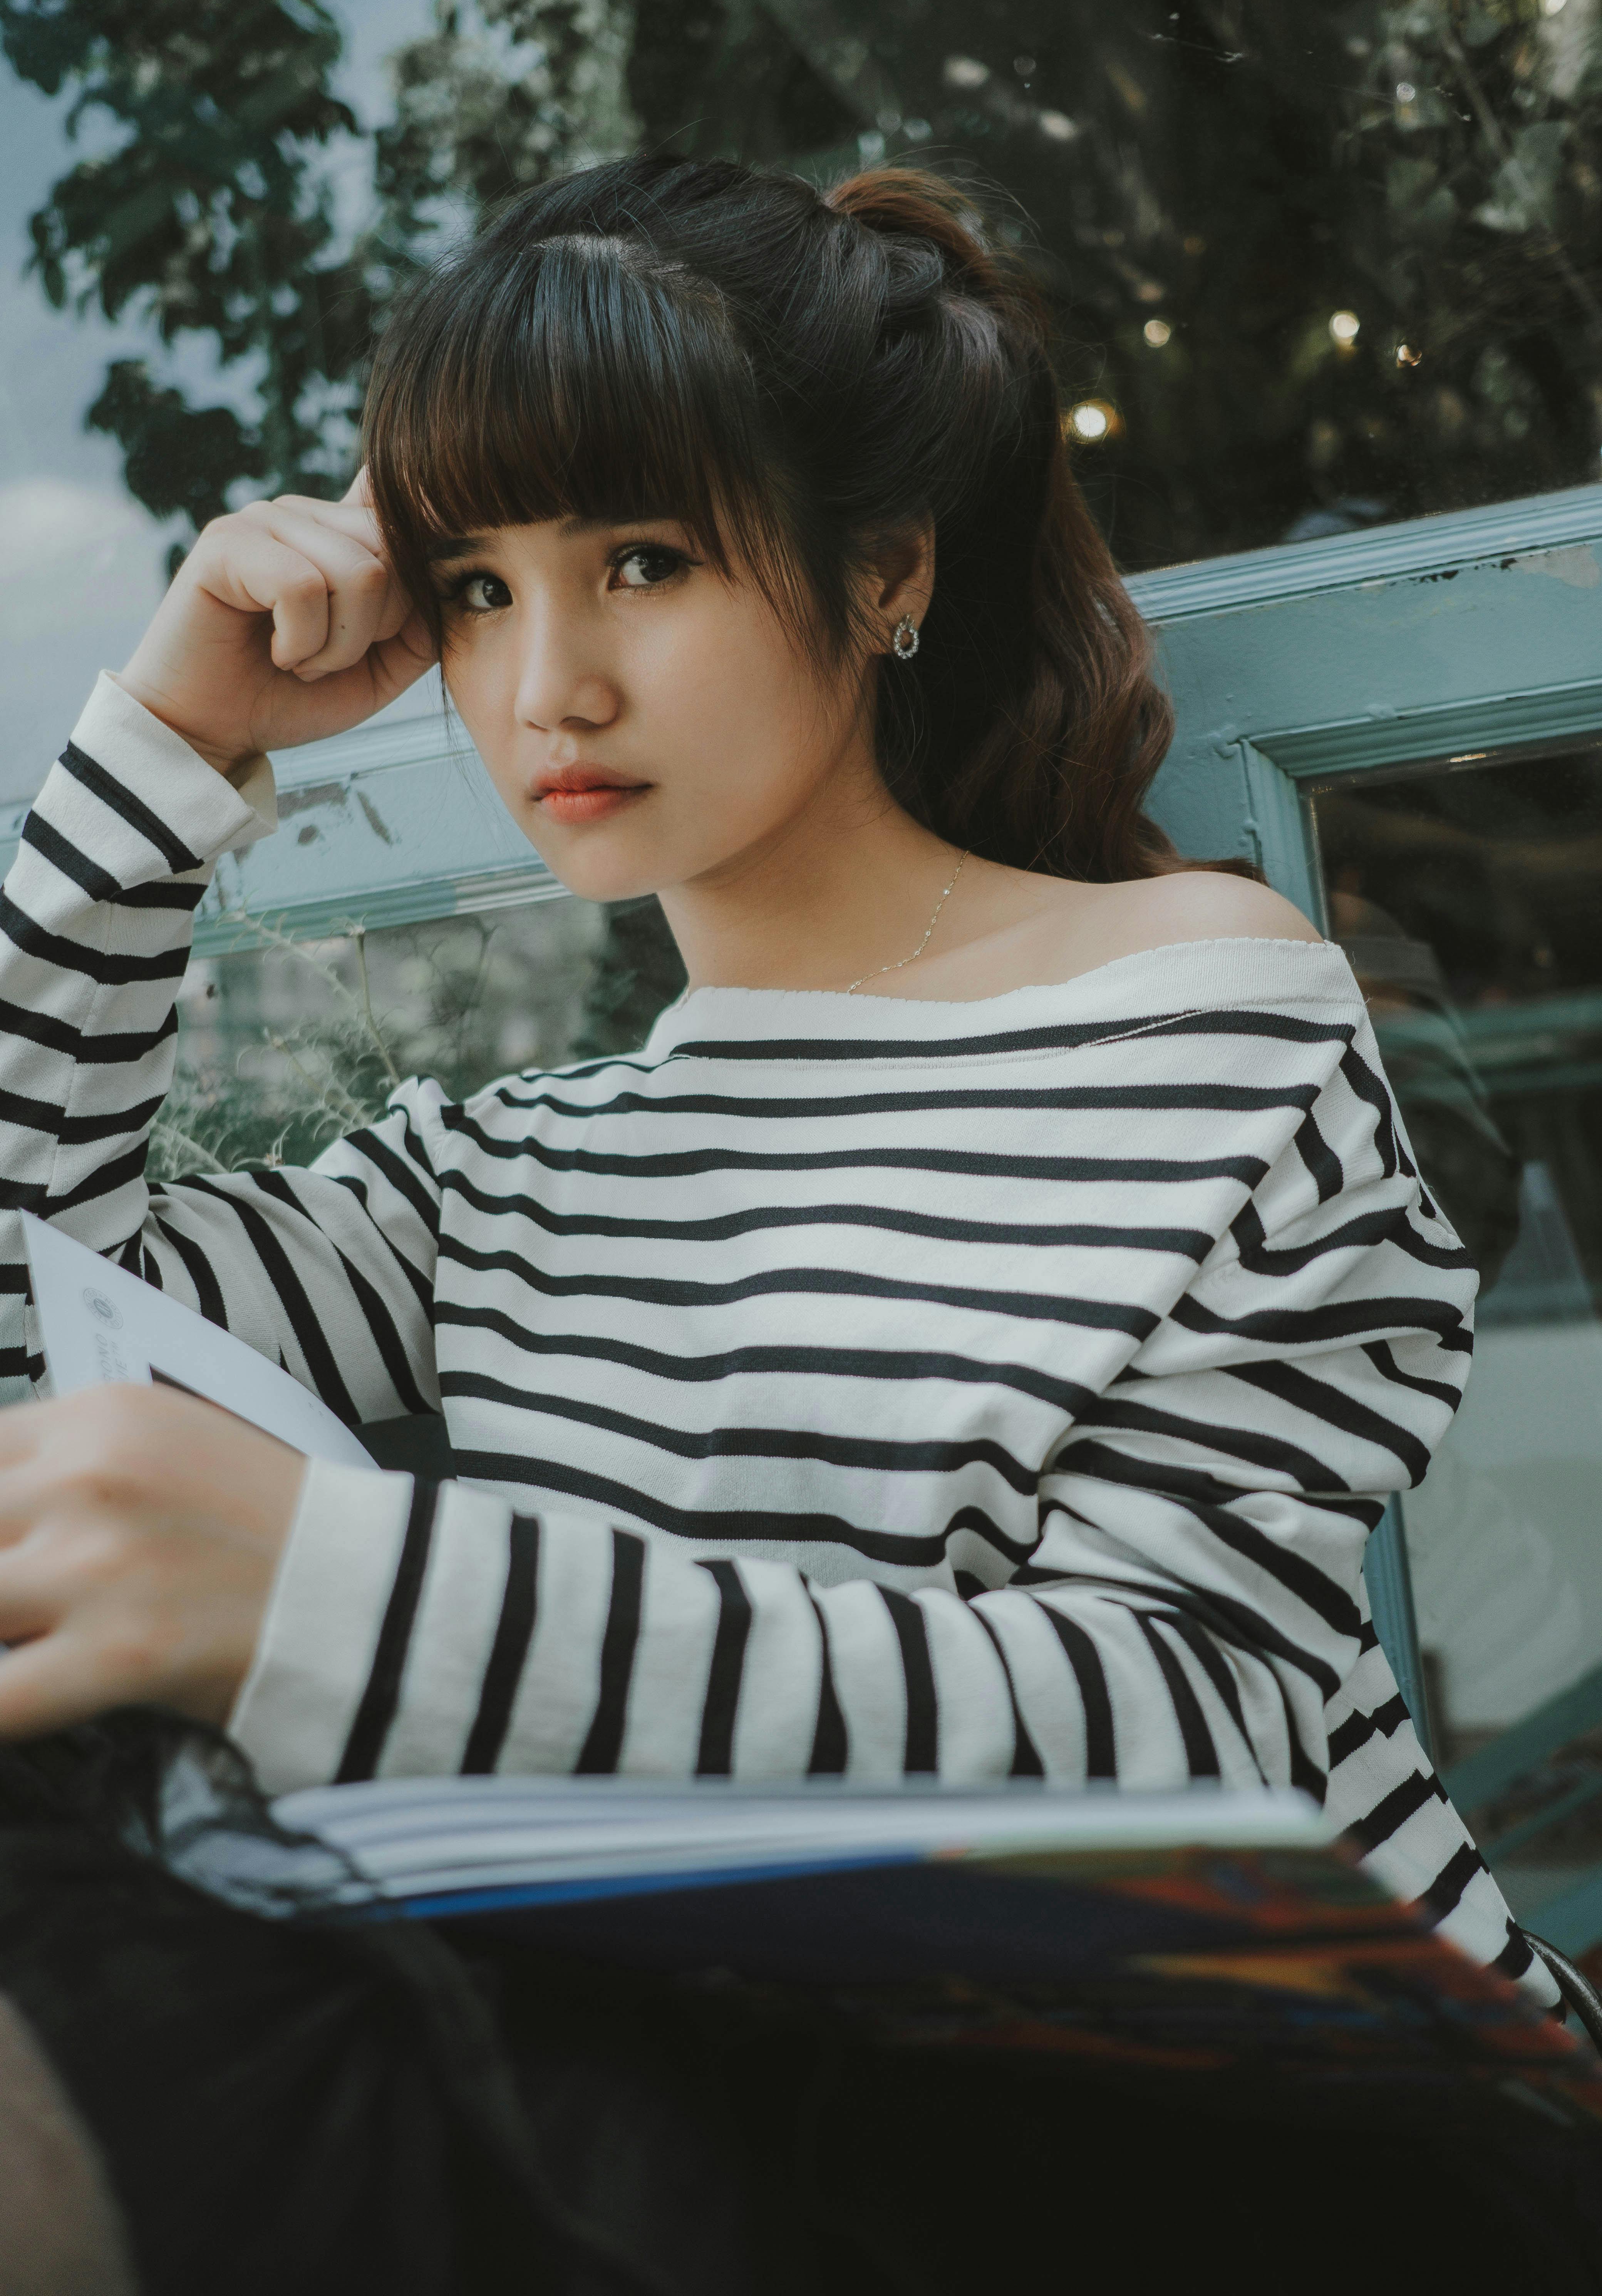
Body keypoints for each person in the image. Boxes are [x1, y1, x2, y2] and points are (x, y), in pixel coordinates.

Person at [0, 157, 1577, 2289]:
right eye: (475, 588)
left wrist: (345, 1600)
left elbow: (1168, 1741)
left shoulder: (1201, 1003)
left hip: (1309, 2147)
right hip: (788, 2124)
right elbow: (35, 1316)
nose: (543, 687)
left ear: (889, 571)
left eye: (639, 562)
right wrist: (164, 756)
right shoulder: (509, 1179)